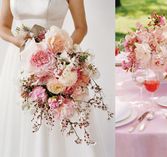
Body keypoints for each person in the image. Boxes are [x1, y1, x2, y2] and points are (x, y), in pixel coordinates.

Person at [0, 0, 105, 156]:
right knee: (20, 118)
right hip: (19, 60)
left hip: (53, 60)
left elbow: (81, 28)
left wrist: (60, 56)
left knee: (54, 118)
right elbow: (3, 26)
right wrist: (21, 43)